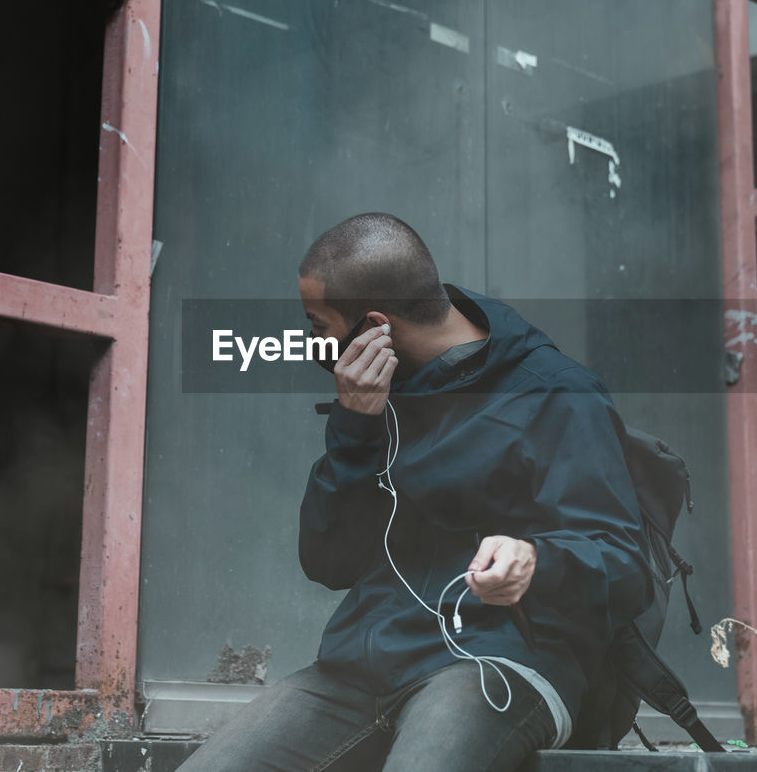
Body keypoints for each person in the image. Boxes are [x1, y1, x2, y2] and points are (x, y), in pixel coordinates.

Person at [179, 213, 652, 771]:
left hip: (499, 666)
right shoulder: (376, 397)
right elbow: (327, 563)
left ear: (375, 325)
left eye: (317, 323)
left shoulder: (555, 392)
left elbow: (625, 563)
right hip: (361, 671)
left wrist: (536, 562)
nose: (312, 343)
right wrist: (355, 428)